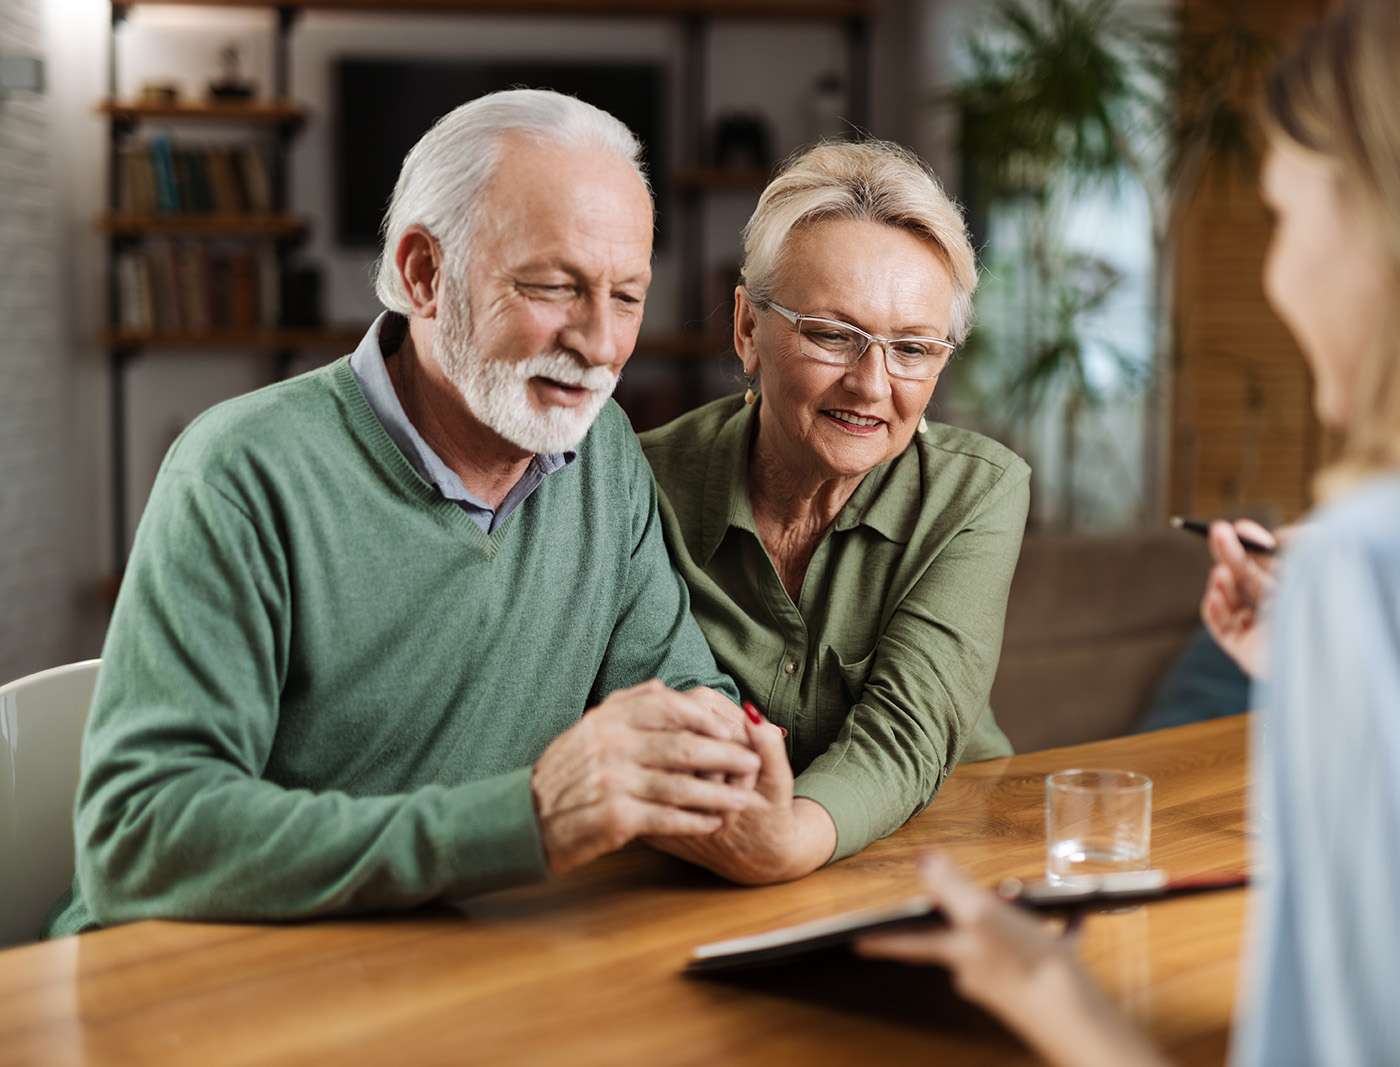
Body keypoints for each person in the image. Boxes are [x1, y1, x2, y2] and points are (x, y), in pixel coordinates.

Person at [43, 89, 770, 937]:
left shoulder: (604, 452)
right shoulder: (238, 472)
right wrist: (522, 821)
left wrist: (730, 752)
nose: (601, 344)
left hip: (436, 957)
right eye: (553, 286)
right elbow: (139, 838)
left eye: (628, 296)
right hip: (188, 977)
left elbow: (678, 692)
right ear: (425, 273)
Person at [856, 1, 1400, 1064]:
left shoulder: (1357, 561)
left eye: (1286, 218)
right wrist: (1313, 664)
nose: (1274, 276)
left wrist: (1058, 1001)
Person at [639, 140, 1029, 885]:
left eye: (912, 347)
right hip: (702, 871)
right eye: (832, 335)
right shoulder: (639, 483)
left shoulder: (979, 493)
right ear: (748, 329)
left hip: (938, 859)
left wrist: (787, 839)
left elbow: (907, 734)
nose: (872, 383)